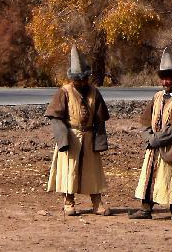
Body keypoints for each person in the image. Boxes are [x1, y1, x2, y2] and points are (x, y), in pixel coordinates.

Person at [45, 45, 111, 216]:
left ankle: (97, 203)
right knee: (69, 169)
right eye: (78, 80)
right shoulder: (64, 92)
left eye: (83, 79)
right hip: (72, 136)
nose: (81, 83)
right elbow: (55, 116)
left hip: (88, 136)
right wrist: (63, 139)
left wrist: (100, 140)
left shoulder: (94, 92)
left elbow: (100, 118)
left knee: (93, 171)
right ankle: (68, 201)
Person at [129, 47, 172, 223]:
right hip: (154, 146)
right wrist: (149, 137)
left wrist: (156, 140)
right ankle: (145, 209)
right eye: (163, 78)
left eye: (169, 78)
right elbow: (145, 120)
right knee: (149, 178)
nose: (166, 82)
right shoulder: (157, 97)